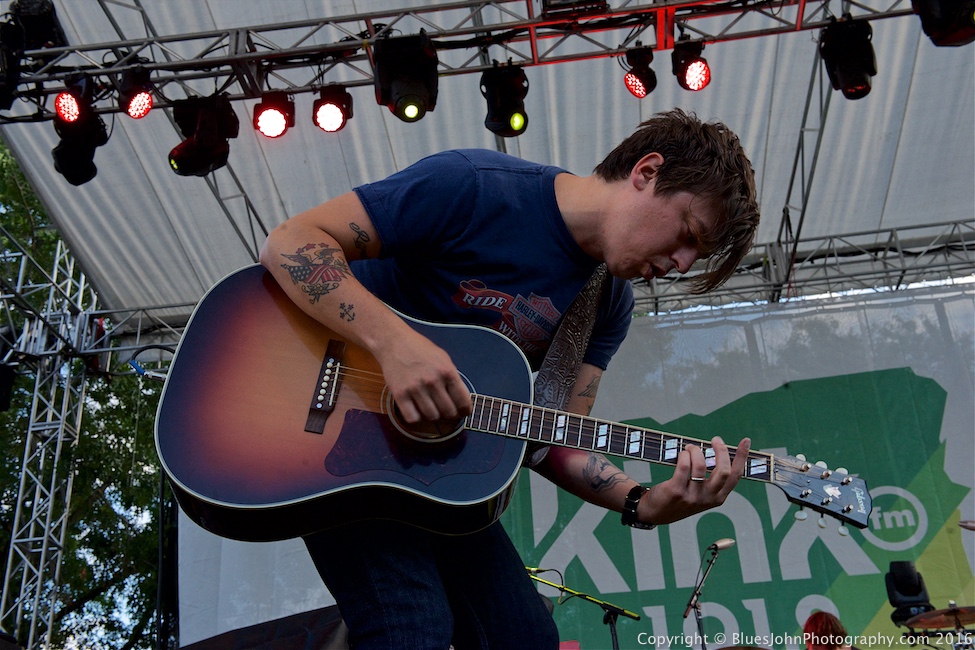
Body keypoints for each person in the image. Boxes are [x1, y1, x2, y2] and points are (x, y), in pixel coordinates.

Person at [259, 108, 760, 649]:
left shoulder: (608, 304)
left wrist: (643, 502)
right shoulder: (473, 188)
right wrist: (396, 346)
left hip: (442, 482)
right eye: (688, 233)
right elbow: (291, 241)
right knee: (412, 629)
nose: (682, 264)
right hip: (335, 440)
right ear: (647, 171)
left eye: (697, 256)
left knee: (525, 638)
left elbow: (552, 439)